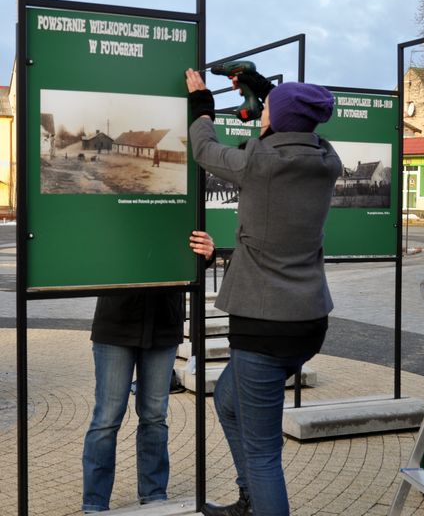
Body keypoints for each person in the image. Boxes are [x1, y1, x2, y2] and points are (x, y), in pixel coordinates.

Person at [185, 67, 342, 516]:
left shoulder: (259, 161)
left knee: (263, 452)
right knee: (229, 400)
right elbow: (297, 128)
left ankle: (259, 503)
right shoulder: (328, 161)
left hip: (264, 327)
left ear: (277, 120)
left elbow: (204, 148)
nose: (260, 115)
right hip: (308, 322)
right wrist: (271, 96)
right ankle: (250, 500)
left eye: (265, 110)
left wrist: (203, 108)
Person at [81, 231, 215, 513]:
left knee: (155, 416)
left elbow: (191, 262)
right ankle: (94, 502)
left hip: (163, 326)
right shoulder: (115, 210)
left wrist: (207, 255)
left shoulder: (178, 209)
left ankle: (154, 495)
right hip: (115, 324)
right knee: (106, 418)